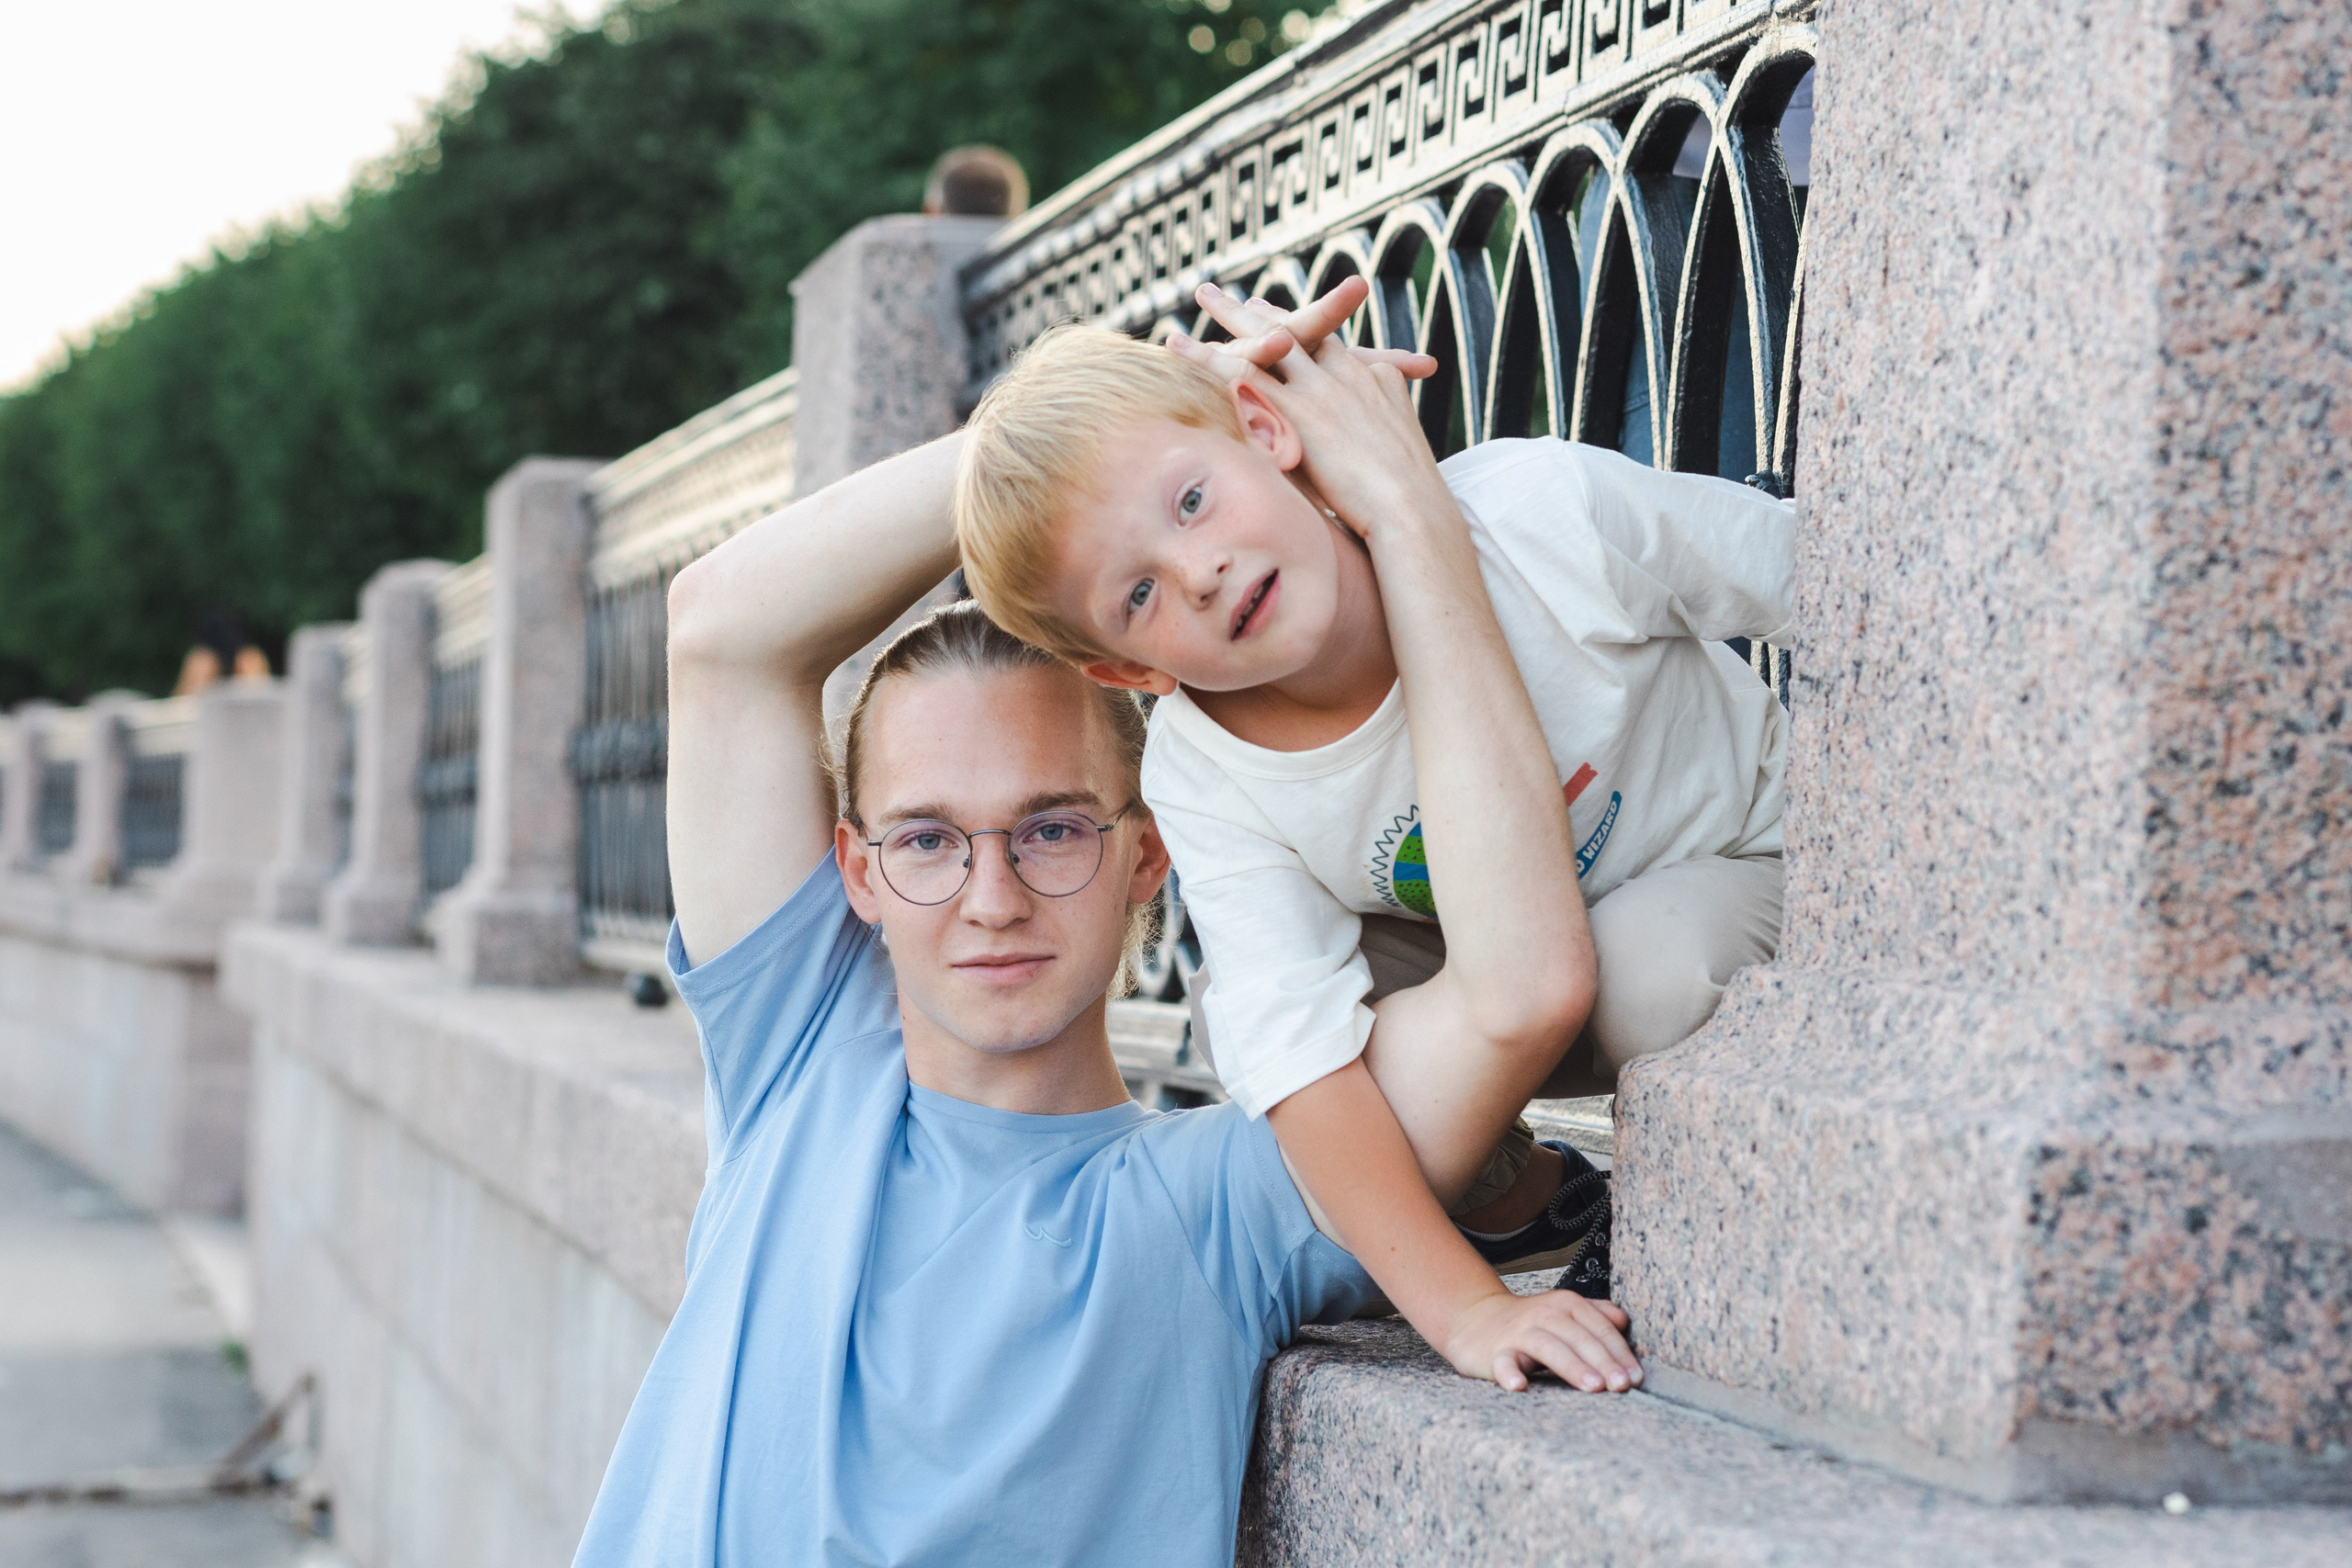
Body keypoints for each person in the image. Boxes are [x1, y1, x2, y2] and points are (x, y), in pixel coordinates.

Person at [569, 329, 1640, 1567]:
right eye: (927, 838)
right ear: (857, 870)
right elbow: (721, 627)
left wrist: (1413, 525)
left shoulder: (1230, 1206)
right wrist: (1078, 451)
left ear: (1146, 853)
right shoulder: (800, 1062)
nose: (992, 896)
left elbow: (1522, 988)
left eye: (1053, 827)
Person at [954, 277, 1793, 1299]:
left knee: (1646, 963)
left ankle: (1683, 1194)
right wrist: (1461, 1314)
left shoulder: (1530, 516)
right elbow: (1299, 1054)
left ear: (1265, 429)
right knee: (1254, 1031)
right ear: (1130, 674)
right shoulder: (1203, 767)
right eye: (1137, 595)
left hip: (1740, 872)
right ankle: (1520, 1203)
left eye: (1189, 501)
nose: (1199, 571)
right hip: (1513, 984)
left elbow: (1813, 571)